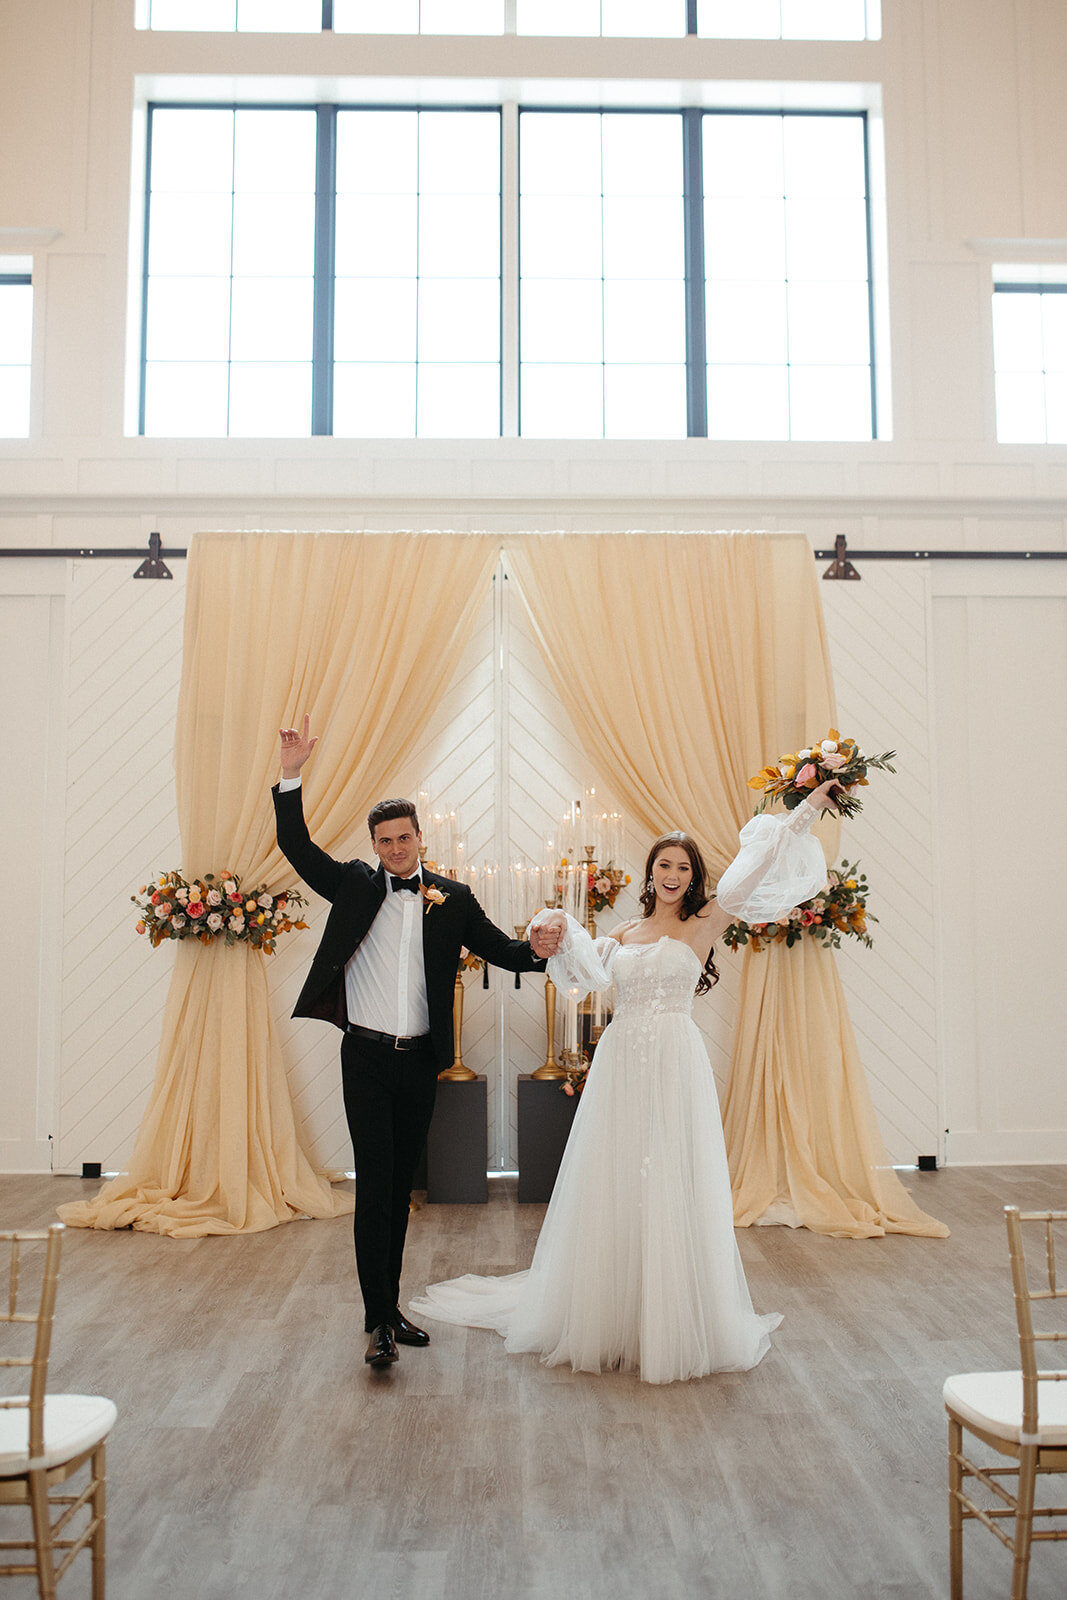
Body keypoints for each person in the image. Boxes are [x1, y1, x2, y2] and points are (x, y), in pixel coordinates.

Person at [411, 781, 842, 1385]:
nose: (672, 874)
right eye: (663, 864)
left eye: (683, 867)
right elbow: (575, 968)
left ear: (693, 878)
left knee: (670, 1172)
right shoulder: (621, 936)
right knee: (616, 1173)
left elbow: (755, 865)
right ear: (650, 874)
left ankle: (672, 1311)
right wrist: (553, 923)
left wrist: (808, 810)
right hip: (620, 1063)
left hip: (673, 1060)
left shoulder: (706, 923)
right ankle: (609, 1306)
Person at [273, 716, 562, 1371]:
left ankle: (390, 1308)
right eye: (385, 840)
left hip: (419, 1064)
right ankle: (376, 1320)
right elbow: (296, 846)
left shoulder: (451, 898)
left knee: (402, 1186)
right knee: (375, 1187)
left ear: (419, 839)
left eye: (404, 838)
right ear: (374, 845)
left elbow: (502, 951)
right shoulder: (352, 884)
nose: (396, 848)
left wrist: (543, 949)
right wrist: (291, 775)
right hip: (366, 1059)